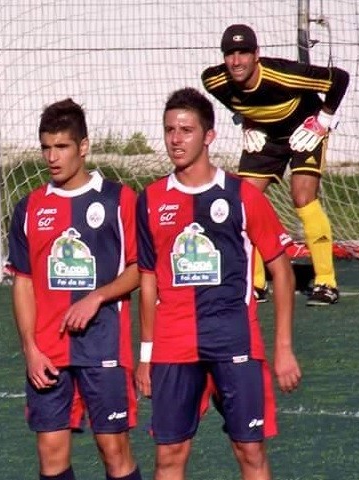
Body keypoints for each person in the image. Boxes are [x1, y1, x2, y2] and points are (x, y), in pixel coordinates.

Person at [135, 87, 302, 480]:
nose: (176, 139)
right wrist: (145, 354)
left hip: (235, 339)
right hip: (174, 344)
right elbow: (146, 280)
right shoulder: (151, 199)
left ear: (209, 136)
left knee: (250, 451)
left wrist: (283, 348)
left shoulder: (242, 196)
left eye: (186, 130)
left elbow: (282, 270)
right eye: (169, 130)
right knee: (169, 455)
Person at [7, 98, 142, 480]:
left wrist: (97, 296)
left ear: (83, 147)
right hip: (48, 351)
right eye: (46, 147)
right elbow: (23, 282)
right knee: (51, 453)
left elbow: (139, 270)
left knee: (113, 449)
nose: (53, 156)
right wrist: (30, 349)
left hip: (104, 345)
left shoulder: (119, 200)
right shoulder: (30, 208)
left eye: (62, 146)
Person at [201, 24, 350, 306]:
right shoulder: (213, 81)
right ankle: (255, 283)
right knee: (244, 200)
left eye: (244, 53)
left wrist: (323, 121)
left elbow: (339, 79)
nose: (237, 61)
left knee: (302, 197)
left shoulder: (284, 74)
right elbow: (236, 102)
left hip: (304, 130)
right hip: (267, 138)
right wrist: (246, 121)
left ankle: (326, 283)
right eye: (230, 54)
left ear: (256, 54)